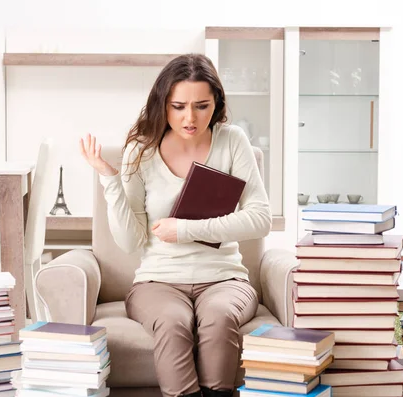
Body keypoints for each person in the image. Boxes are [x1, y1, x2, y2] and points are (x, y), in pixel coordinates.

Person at [79, 53, 271, 397]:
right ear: (162, 104)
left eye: (202, 106)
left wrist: (185, 230)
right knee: (171, 322)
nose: (190, 118)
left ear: (217, 103)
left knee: (218, 317)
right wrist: (110, 179)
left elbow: (260, 218)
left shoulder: (232, 141)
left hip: (225, 279)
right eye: (178, 106)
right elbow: (130, 241)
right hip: (157, 282)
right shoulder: (142, 150)